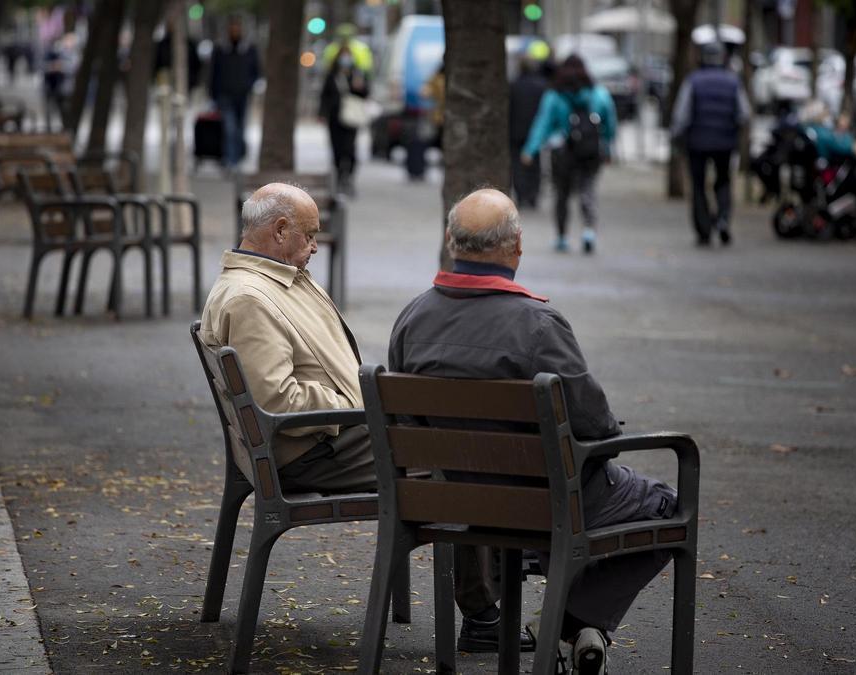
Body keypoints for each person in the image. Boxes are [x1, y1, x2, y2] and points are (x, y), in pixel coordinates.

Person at [199, 183, 527, 652]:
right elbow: (279, 401)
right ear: (279, 230)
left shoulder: (272, 276)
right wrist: (364, 401)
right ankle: (484, 615)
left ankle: (499, 585)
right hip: (314, 448)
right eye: (310, 235)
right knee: (454, 460)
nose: (315, 246)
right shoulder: (252, 298)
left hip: (332, 431)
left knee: (448, 434)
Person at [389, 188, 680, 675]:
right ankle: (570, 622)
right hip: (544, 506)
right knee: (663, 504)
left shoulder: (412, 319)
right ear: (516, 247)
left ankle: (560, 624)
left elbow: (408, 424)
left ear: (450, 241)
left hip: (452, 502)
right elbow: (597, 426)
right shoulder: (538, 326)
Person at [521, 55, 617, 254]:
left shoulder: (555, 95)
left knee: (561, 194)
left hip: (562, 152)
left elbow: (543, 123)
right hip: (591, 150)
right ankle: (588, 231)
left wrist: (530, 149)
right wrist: (607, 149)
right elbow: (609, 122)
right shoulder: (598, 93)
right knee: (587, 189)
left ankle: (562, 236)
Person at [670, 41, 751, 246]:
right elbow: (744, 114)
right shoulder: (733, 82)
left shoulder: (694, 81)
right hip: (725, 142)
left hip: (697, 143)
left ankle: (704, 229)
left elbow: (681, 115)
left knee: (698, 186)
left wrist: (677, 135)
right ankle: (723, 218)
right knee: (723, 181)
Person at [209, 17, 260, 170]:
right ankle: (231, 160)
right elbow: (214, 73)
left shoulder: (249, 49)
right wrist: (213, 94)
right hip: (225, 95)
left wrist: (248, 86)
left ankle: (238, 156)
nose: (235, 32)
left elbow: (256, 71)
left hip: (243, 95)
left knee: (241, 128)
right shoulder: (220, 49)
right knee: (229, 128)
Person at [319, 46, 370, 195]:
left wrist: (359, 87)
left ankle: (348, 177)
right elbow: (324, 95)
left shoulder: (357, 74)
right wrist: (322, 113)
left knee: (350, 149)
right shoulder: (332, 75)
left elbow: (366, 93)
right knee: (337, 149)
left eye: (348, 56)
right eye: (343, 56)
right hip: (334, 118)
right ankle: (340, 177)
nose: (346, 59)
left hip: (351, 117)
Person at [510, 52, 549, 209]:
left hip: (515, 131)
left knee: (517, 165)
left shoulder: (513, 85)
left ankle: (521, 195)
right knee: (535, 164)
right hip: (535, 132)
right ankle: (533, 195)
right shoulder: (542, 85)